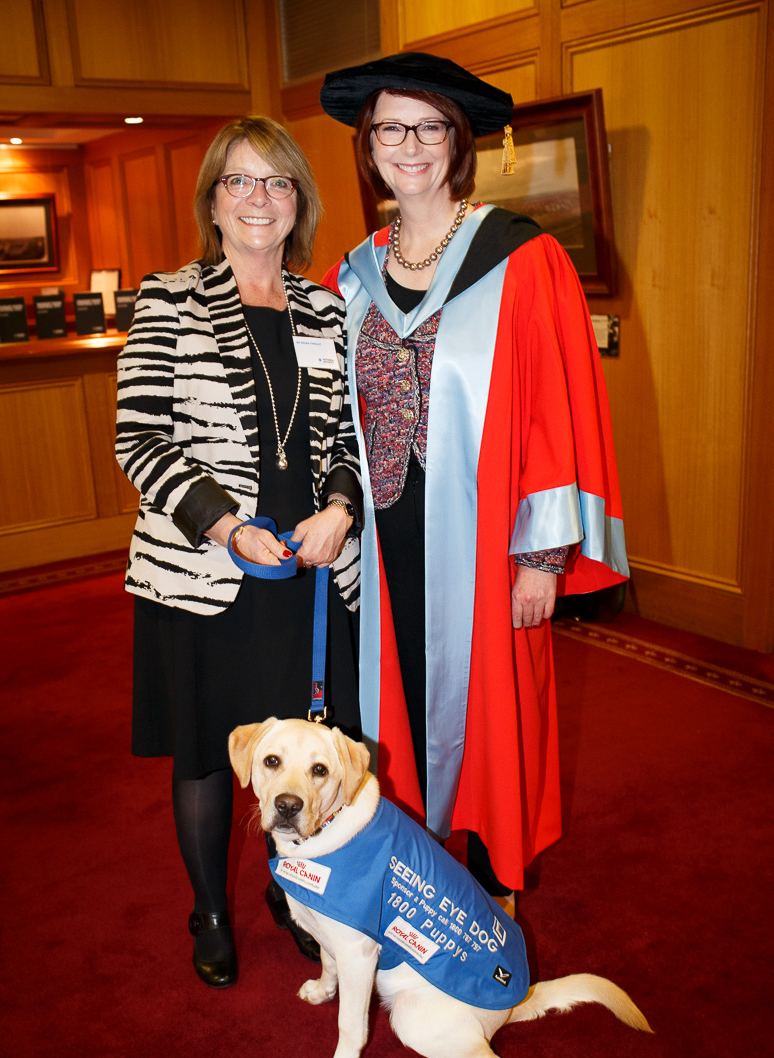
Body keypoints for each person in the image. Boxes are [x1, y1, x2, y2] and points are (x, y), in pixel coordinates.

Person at [319, 53, 629, 912]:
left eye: (429, 127)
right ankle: (414, 872)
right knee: (397, 705)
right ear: (368, 144)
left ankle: (494, 887)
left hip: (490, 534)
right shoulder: (354, 272)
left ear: (459, 143)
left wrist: (544, 555)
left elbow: (558, 414)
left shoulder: (521, 258)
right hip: (386, 535)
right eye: (390, 127)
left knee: (497, 711)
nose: (408, 145)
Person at [116, 117, 362, 988]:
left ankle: (289, 895)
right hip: (204, 574)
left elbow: (344, 438)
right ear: (212, 202)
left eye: (278, 183)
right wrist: (226, 525)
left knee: (298, 750)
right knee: (210, 754)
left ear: (299, 203)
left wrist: (338, 507)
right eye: (240, 182)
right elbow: (140, 440)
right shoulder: (168, 298)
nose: (259, 198)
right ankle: (210, 910)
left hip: (305, 574)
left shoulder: (327, 309)